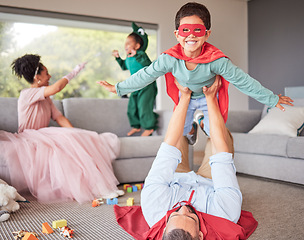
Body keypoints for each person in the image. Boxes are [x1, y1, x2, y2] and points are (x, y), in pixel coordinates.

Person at [97, 2, 293, 144]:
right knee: (179, 131)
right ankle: (191, 126)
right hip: (186, 99)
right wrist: (119, 87)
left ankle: (200, 121)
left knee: (214, 132)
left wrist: (271, 99)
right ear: (177, 35)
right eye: (185, 30)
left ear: (207, 33)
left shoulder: (216, 60)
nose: (191, 35)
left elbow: (243, 81)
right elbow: (146, 74)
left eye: (197, 30)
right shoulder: (170, 58)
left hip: (208, 98)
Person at [0, 54, 124, 203]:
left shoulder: (46, 98)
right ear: (37, 77)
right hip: (28, 137)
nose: (50, 75)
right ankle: (98, 190)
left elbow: (59, 118)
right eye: (46, 73)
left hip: (43, 135)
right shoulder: (27, 94)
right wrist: (74, 71)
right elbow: (57, 87)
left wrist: (76, 133)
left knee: (77, 139)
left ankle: (100, 188)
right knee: (64, 145)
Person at [141, 76, 244, 239]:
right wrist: (210, 98)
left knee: (177, 135)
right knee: (223, 137)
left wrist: (185, 96)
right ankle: (204, 125)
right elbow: (222, 156)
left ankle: (189, 130)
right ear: (201, 235)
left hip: (175, 178)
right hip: (211, 183)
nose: (183, 207)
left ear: (163, 228)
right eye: (190, 216)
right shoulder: (225, 213)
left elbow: (167, 149)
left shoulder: (153, 205)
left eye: (174, 215)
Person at [111, 22, 158, 137]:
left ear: (137, 46)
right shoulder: (128, 58)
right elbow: (124, 67)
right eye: (125, 43)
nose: (125, 45)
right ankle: (136, 126)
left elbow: (148, 64)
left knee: (144, 107)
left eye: (128, 43)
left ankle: (149, 127)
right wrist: (118, 58)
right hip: (136, 86)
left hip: (147, 85)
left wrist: (137, 54)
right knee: (132, 107)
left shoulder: (141, 55)